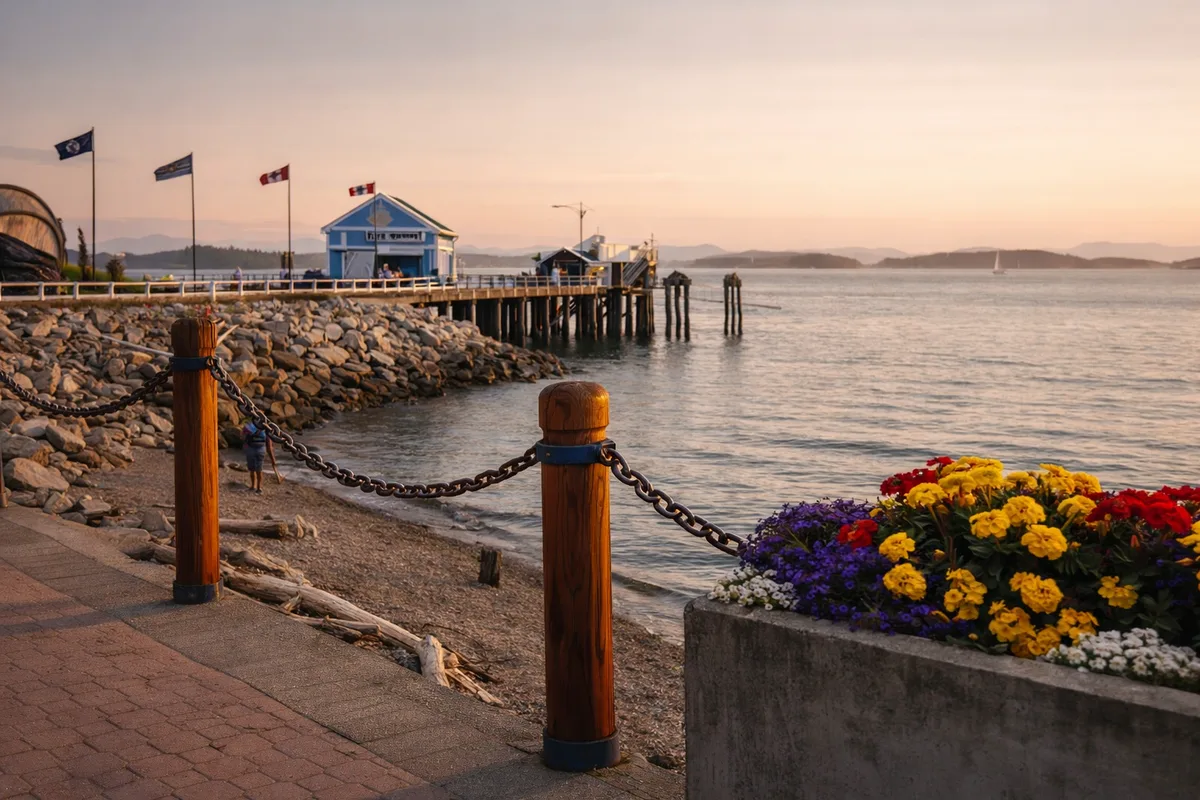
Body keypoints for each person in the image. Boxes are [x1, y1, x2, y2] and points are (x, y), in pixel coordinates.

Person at [241, 418, 274, 494]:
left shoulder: (248, 427)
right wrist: (272, 459)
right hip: (261, 449)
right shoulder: (266, 428)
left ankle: (253, 486)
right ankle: (259, 488)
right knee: (259, 469)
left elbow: (242, 437)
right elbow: (269, 445)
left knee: (252, 469)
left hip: (251, 449)